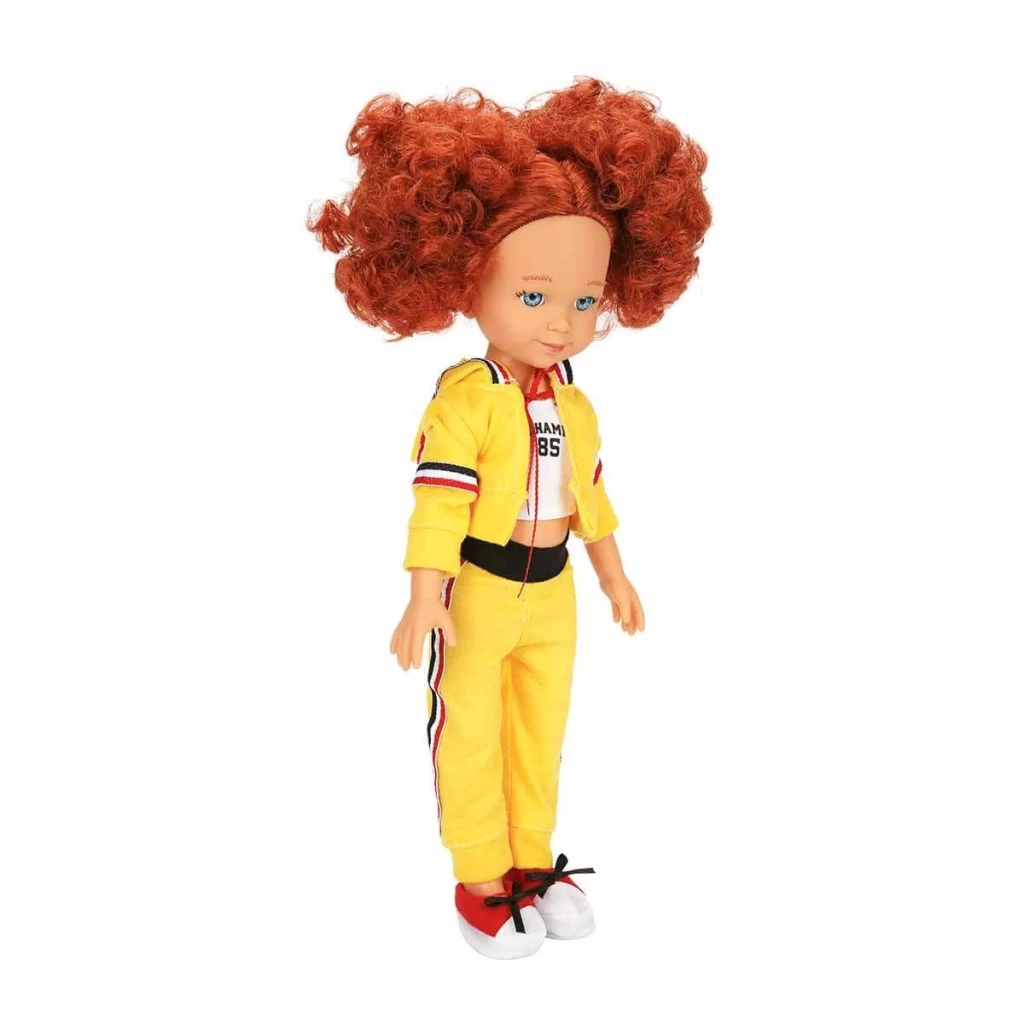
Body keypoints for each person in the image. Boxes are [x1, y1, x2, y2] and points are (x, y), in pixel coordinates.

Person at [309, 76, 711, 958]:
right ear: (464, 279)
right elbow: (439, 501)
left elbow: (589, 495)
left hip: (554, 591)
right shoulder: (467, 397)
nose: (562, 322)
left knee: (539, 728)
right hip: (481, 589)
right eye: (534, 297)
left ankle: (531, 859)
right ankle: (481, 875)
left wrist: (614, 575)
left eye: (584, 300)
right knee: (470, 730)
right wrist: (426, 594)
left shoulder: (574, 401)